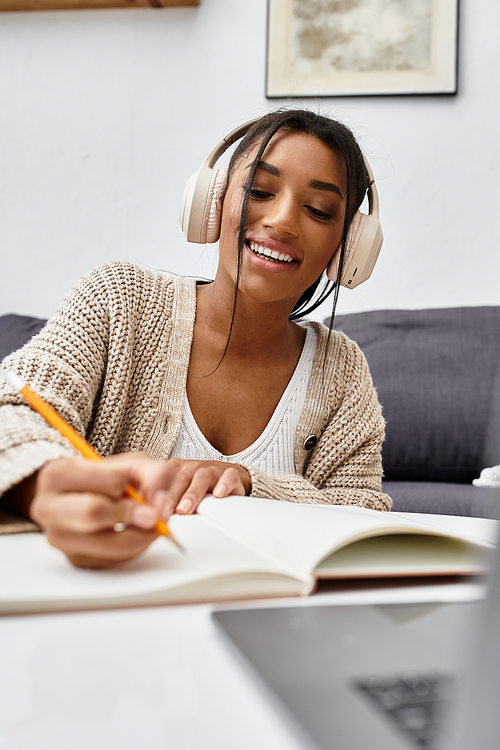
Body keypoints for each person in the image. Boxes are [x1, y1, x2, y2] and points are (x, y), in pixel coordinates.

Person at [0, 109, 391, 568]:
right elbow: (13, 412)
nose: (283, 222)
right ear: (213, 200)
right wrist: (40, 484)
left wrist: (249, 483)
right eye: (260, 191)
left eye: (319, 211)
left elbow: (363, 512)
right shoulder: (118, 300)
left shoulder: (341, 369)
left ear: (347, 248)